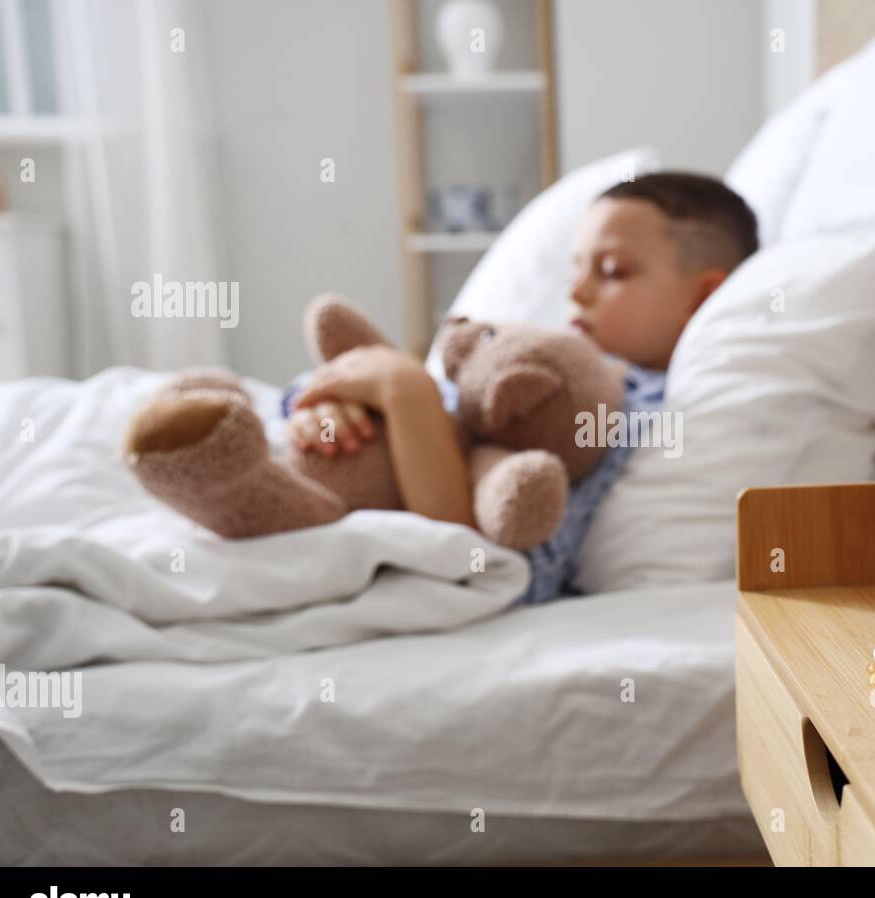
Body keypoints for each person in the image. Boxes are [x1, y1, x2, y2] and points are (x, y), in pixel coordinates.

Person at [289, 172, 758, 601]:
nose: (577, 292)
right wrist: (333, 410)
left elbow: (483, 564)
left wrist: (407, 394)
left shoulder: (627, 411)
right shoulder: (544, 354)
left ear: (702, 297)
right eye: (576, 270)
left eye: (612, 271)